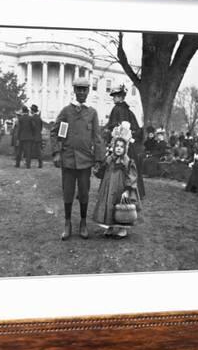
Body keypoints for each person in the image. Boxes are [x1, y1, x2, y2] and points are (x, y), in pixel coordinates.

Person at [51, 76, 105, 240]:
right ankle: (67, 223)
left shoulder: (92, 113)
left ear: (88, 91)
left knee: (84, 193)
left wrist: (98, 159)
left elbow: (97, 137)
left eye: (84, 89)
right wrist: (56, 152)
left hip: (85, 161)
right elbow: (56, 132)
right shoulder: (67, 111)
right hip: (68, 160)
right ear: (74, 91)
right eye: (78, 89)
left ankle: (83, 223)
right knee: (68, 192)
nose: (81, 92)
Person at [93, 137, 141, 238]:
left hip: (120, 188)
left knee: (120, 207)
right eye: (117, 146)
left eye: (122, 147)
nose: (119, 149)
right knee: (109, 205)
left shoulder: (127, 161)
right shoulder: (109, 159)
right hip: (108, 186)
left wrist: (127, 189)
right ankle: (110, 226)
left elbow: (131, 176)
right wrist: (100, 165)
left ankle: (122, 229)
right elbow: (101, 172)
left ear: (125, 149)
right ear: (113, 147)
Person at [103, 84, 145, 198]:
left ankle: (115, 189)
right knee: (129, 166)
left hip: (118, 144)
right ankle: (135, 189)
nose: (114, 98)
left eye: (116, 96)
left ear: (121, 97)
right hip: (128, 145)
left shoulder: (117, 109)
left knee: (117, 165)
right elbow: (137, 129)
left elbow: (113, 126)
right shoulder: (129, 111)